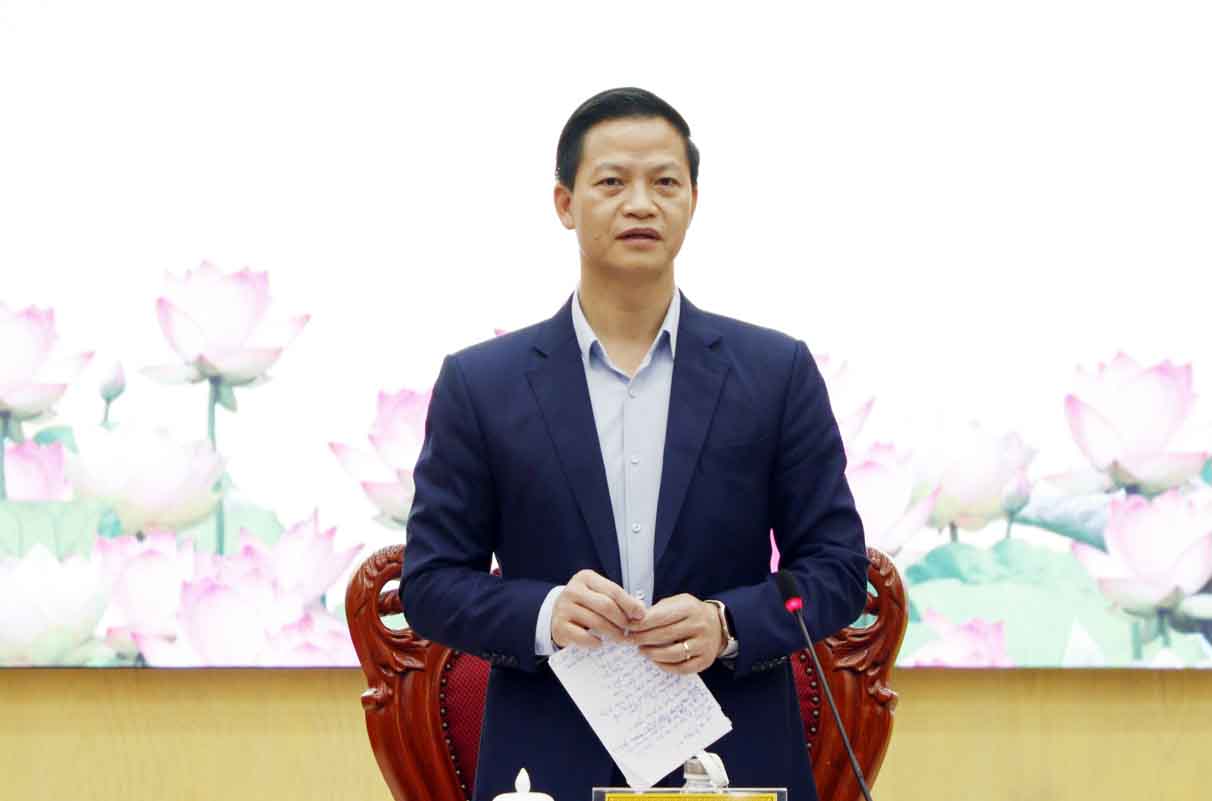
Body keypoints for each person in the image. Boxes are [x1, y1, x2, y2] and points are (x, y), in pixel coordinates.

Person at [401, 86, 868, 801]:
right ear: (565, 203)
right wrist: (545, 612)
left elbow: (836, 569)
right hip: (546, 761)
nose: (641, 204)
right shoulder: (481, 384)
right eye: (613, 182)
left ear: (693, 201)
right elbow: (431, 583)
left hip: (733, 756)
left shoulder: (776, 373)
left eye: (665, 183)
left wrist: (727, 624)